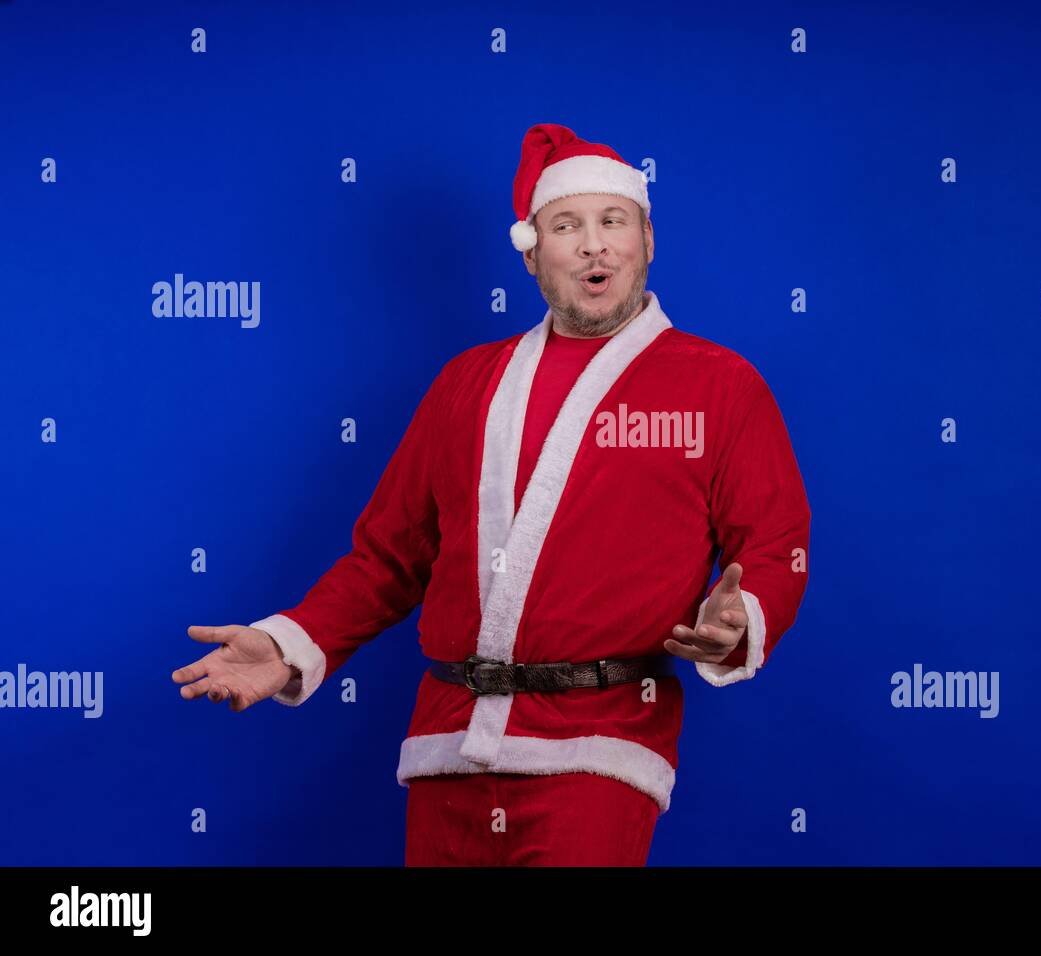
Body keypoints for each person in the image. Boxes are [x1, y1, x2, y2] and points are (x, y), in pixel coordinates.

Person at [171, 123, 812, 866]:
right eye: (567, 226)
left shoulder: (719, 385)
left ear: (648, 240)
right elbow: (389, 557)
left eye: (614, 222)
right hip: (447, 745)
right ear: (534, 255)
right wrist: (290, 643)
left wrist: (743, 618)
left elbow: (774, 545)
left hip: (601, 751)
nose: (594, 245)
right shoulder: (465, 385)